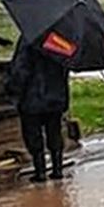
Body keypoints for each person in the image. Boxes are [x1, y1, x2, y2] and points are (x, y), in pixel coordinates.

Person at [4, 37, 69, 182]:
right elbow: (65, 68)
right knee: (54, 131)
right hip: (55, 97)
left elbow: (20, 70)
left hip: (32, 98)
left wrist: (11, 88)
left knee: (33, 135)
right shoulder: (59, 39)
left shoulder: (28, 39)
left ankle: (40, 172)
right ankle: (57, 169)